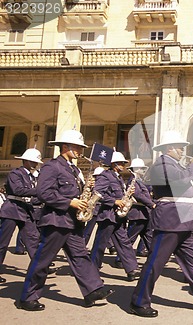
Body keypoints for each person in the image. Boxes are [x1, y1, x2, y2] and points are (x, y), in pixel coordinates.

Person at [130, 130, 193, 317]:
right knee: (155, 263)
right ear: (169, 148)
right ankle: (138, 301)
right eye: (179, 148)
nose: (183, 151)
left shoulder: (177, 164)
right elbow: (179, 181)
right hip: (169, 220)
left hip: (184, 221)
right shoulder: (162, 163)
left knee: (192, 261)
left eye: (183, 148)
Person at [18, 130, 113, 311]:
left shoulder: (74, 168)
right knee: (43, 260)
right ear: (65, 146)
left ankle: (93, 289)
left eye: (80, 147)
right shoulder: (52, 166)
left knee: (80, 255)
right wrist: (70, 202)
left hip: (72, 221)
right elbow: (43, 193)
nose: (80, 150)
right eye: (77, 146)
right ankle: (27, 297)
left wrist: (87, 187)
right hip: (56, 220)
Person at [90, 151, 141, 281]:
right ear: (114, 164)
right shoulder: (105, 176)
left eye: (124, 163)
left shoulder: (118, 177)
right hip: (107, 215)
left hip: (118, 216)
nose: (123, 165)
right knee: (100, 244)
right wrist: (114, 201)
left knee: (124, 242)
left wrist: (128, 195)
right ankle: (91, 271)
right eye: (121, 163)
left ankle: (132, 269)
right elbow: (98, 193)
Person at [0, 148, 44, 283]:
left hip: (26, 210)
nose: (35, 165)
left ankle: (40, 268)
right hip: (12, 210)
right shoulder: (15, 173)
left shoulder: (32, 177)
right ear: (26, 161)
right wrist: (40, 191)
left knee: (33, 239)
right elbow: (18, 190)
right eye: (33, 162)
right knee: (2, 242)